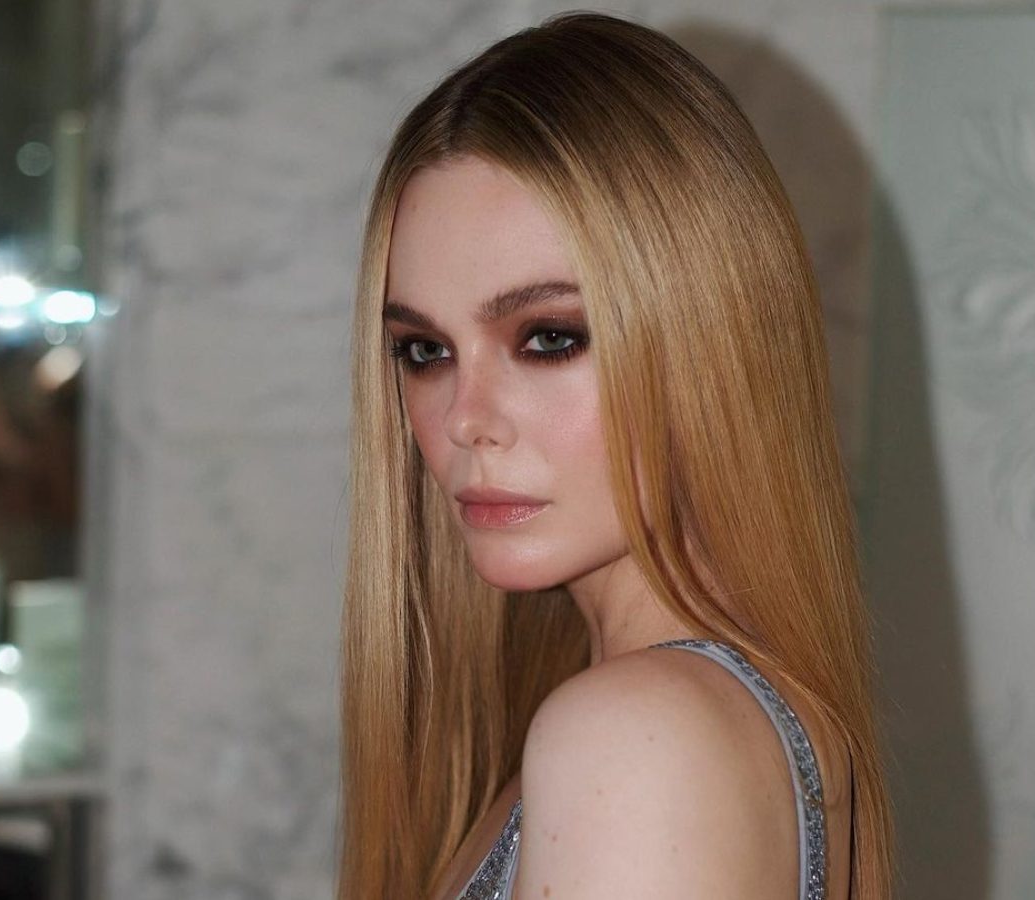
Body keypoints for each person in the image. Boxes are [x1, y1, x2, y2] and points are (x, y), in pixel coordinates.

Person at [340, 10, 894, 899]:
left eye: (549, 338)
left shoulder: (636, 738)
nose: (466, 419)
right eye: (425, 350)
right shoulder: (711, 715)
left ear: (711, 344)